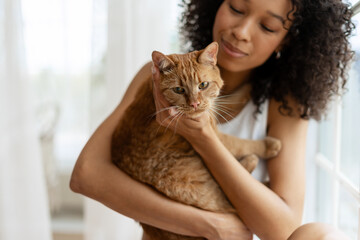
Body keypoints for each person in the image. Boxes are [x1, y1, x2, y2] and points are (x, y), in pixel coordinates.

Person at [70, 0, 354, 239]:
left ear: (287, 39)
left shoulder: (284, 105)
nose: (241, 32)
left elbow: (283, 229)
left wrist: (202, 136)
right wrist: (210, 224)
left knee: (321, 234)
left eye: (267, 26)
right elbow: (86, 175)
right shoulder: (155, 78)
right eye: (236, 8)